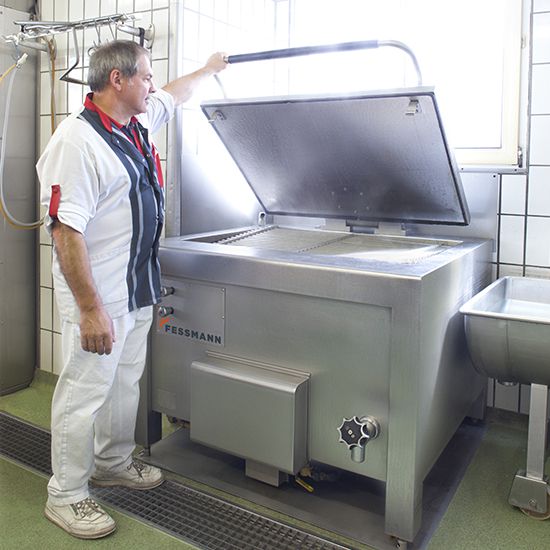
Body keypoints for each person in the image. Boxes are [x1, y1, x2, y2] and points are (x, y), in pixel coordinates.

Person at [37, 40, 227, 539]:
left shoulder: (134, 123)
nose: (151, 85)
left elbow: (175, 94)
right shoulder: (77, 143)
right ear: (117, 80)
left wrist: (208, 69)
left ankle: (112, 461)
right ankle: (66, 493)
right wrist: (90, 309)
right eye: (144, 76)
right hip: (99, 295)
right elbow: (65, 231)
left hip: (137, 286)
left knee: (124, 383)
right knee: (84, 392)